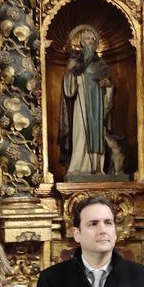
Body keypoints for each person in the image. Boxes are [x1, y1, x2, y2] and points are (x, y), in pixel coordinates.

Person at [59, 25, 115, 178]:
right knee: (80, 134)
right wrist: (69, 71)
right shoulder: (75, 63)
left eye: (93, 39)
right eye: (87, 39)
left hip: (97, 104)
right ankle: (77, 166)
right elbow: (69, 91)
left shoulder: (101, 64)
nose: (90, 42)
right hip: (81, 103)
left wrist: (107, 86)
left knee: (97, 134)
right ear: (81, 42)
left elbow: (109, 85)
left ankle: (97, 168)